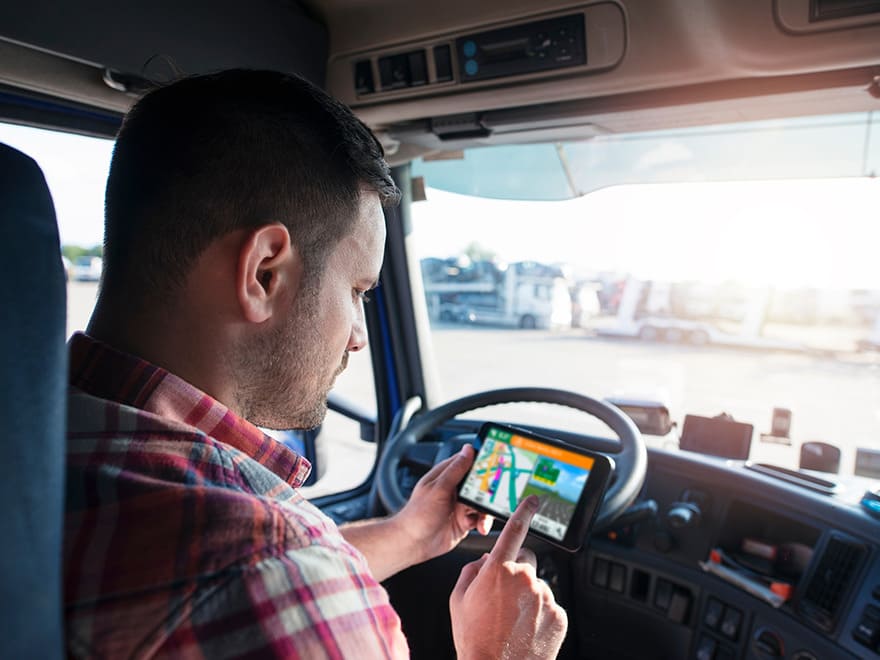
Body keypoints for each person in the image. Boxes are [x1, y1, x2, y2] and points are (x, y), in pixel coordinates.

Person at [64, 69, 567, 658]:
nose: (358, 336)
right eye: (356, 290)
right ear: (264, 273)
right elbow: (274, 571)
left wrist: (406, 534)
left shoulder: (44, 431)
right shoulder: (273, 571)